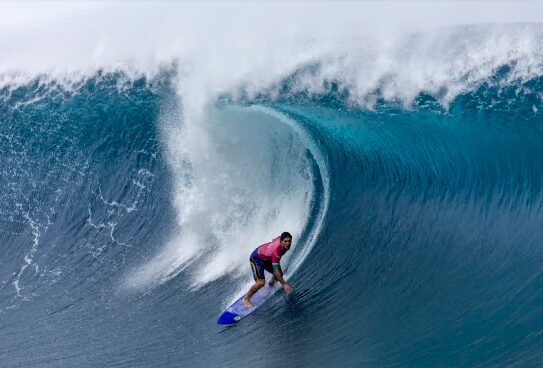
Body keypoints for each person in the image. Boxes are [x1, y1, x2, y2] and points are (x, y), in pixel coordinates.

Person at [242, 232, 294, 309]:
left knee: (279, 275)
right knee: (261, 282)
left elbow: (274, 240)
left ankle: (270, 285)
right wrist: (284, 284)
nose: (288, 243)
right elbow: (276, 271)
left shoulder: (281, 240)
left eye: (289, 241)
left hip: (267, 259)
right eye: (285, 241)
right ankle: (246, 299)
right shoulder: (276, 252)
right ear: (281, 241)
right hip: (256, 258)